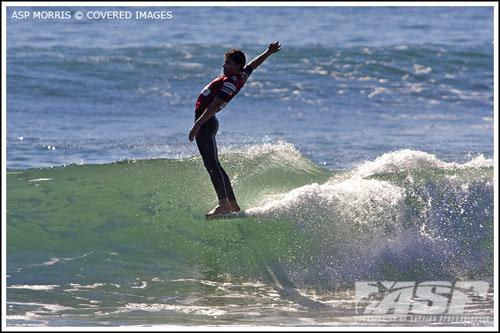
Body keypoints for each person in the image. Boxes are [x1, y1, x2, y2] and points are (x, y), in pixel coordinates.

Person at [189, 41, 281, 218]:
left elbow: (214, 106)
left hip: (206, 122)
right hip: (208, 122)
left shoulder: (230, 82)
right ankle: (232, 204)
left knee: (211, 165)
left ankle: (223, 203)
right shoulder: (241, 75)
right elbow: (252, 65)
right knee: (215, 165)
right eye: (225, 62)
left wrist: (198, 124)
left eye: (229, 63)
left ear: (237, 66)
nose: (224, 65)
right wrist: (268, 52)